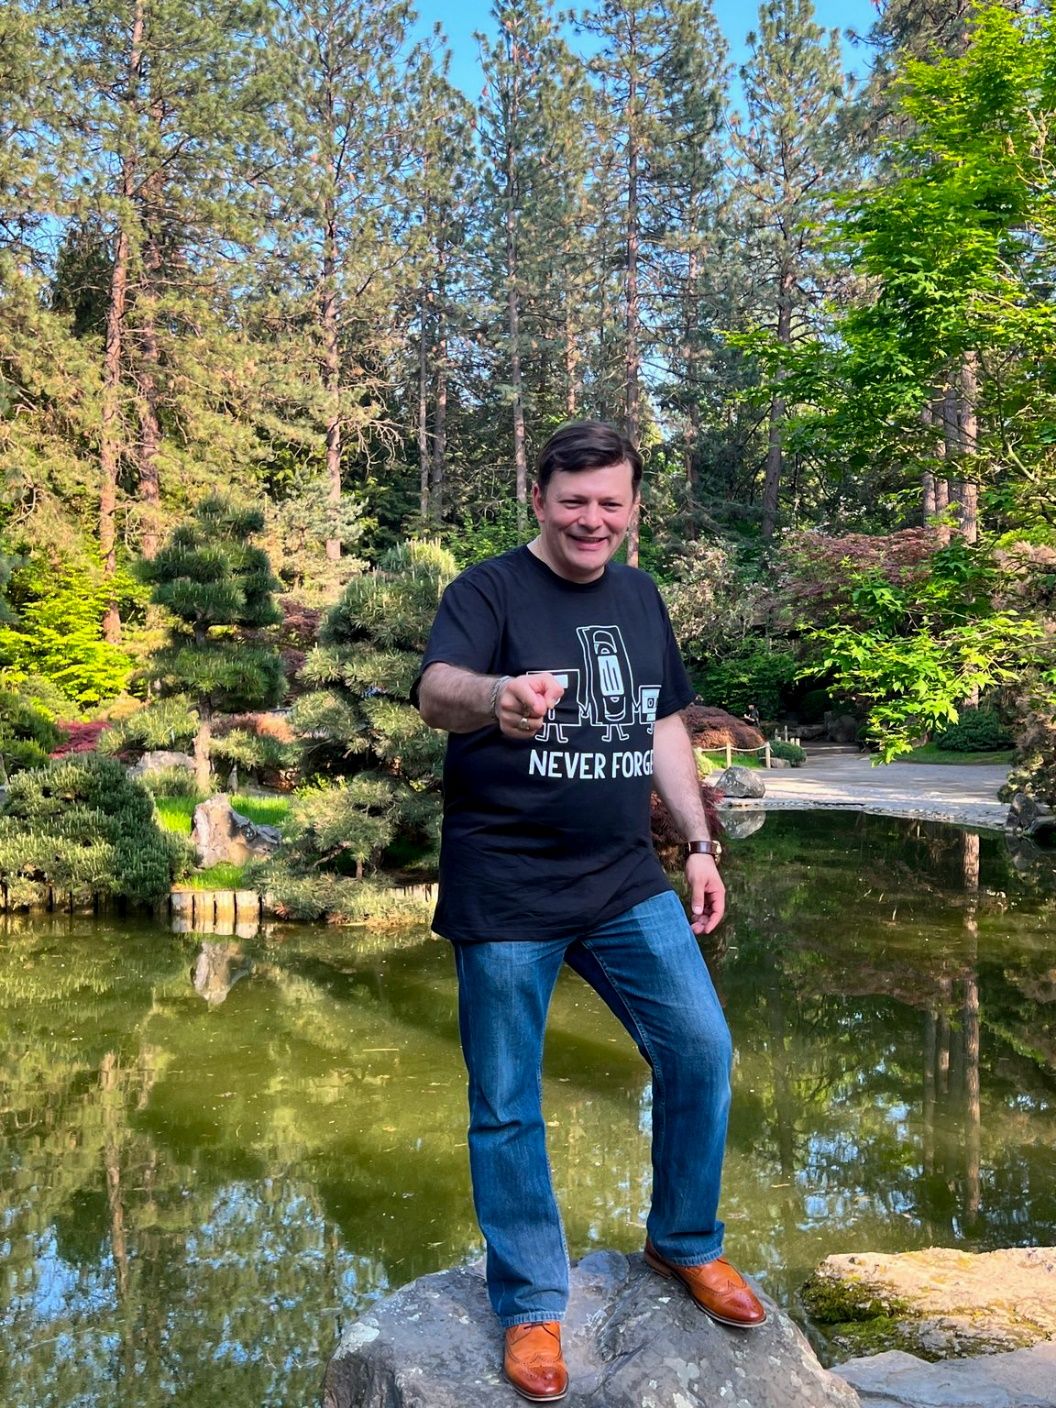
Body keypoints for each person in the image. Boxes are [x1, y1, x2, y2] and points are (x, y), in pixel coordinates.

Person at [414, 421, 765, 1403]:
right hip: (508, 889)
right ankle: (531, 1303)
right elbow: (435, 690)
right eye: (575, 500)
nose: (592, 518)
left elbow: (662, 723)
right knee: (506, 1102)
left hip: (622, 883)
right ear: (539, 497)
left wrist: (698, 845)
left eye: (612, 502)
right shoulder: (487, 590)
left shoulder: (641, 595)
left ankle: (684, 1242)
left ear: (633, 508)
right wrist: (496, 696)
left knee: (700, 1047)